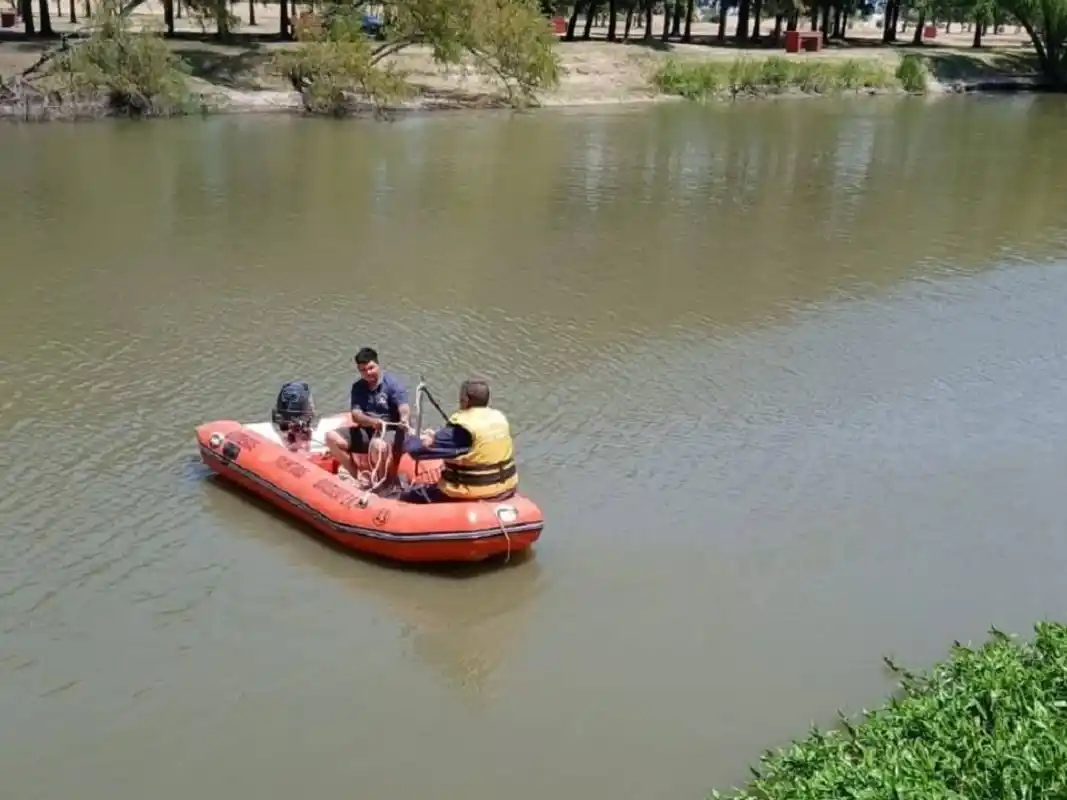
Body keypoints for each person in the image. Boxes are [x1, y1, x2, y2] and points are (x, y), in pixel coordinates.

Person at [401, 378, 518, 503]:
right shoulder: (499, 419)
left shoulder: (463, 429)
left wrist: (412, 435)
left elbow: (415, 450)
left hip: (473, 492)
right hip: (506, 488)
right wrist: (436, 436)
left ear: (465, 400)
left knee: (406, 497)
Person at [325, 347, 411, 486]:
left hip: (391, 431)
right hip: (369, 430)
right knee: (331, 437)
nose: (368, 373)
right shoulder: (358, 387)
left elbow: (404, 407)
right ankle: (357, 477)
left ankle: (383, 484)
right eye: (363, 370)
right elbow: (356, 415)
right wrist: (372, 422)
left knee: (378, 445)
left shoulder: (393, 384)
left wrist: (404, 419)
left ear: (378, 365)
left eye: (371, 368)